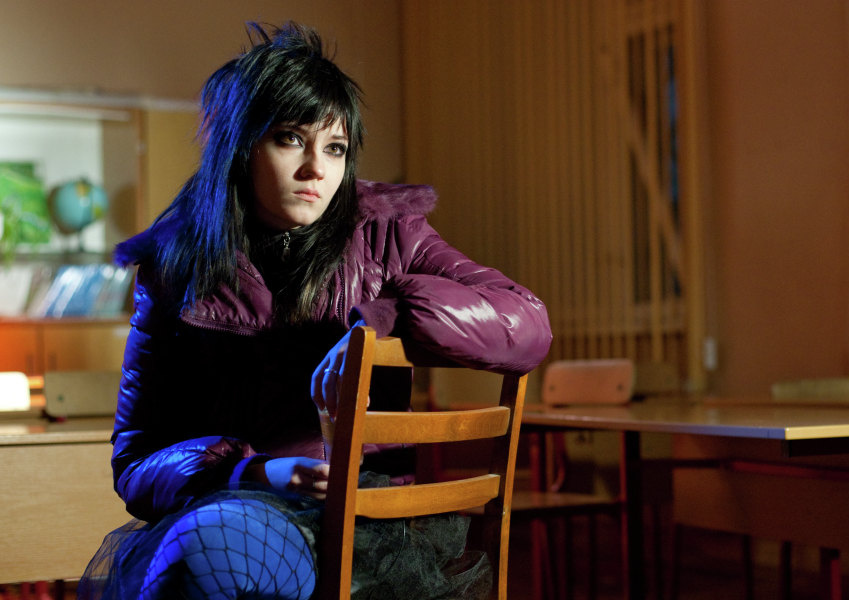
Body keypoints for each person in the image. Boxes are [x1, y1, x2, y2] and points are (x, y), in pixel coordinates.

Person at [79, 21, 551, 600]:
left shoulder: (388, 234)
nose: (316, 170)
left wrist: (385, 317)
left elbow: (527, 323)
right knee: (199, 550)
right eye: (289, 140)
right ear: (239, 147)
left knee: (201, 553)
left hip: (367, 519)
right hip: (237, 500)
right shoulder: (172, 263)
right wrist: (250, 470)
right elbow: (135, 462)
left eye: (334, 148)